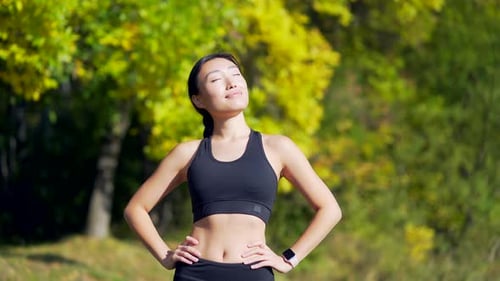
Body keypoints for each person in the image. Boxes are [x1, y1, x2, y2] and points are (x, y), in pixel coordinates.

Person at [124, 52, 342, 281]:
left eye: (236, 75)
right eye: (216, 79)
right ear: (198, 100)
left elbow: (329, 209)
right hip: (195, 274)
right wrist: (165, 255)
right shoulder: (187, 153)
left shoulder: (278, 148)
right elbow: (135, 209)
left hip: (252, 274)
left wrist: (288, 259)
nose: (231, 83)